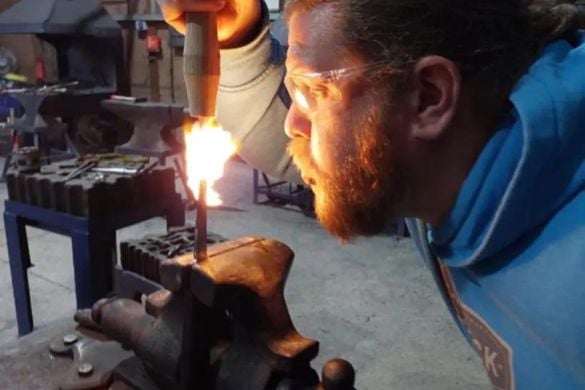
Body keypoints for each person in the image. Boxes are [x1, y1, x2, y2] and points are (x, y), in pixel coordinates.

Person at [158, 0, 585, 388]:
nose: (294, 126)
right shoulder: (451, 154)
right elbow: (299, 147)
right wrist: (236, 36)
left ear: (429, 97)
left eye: (315, 93)